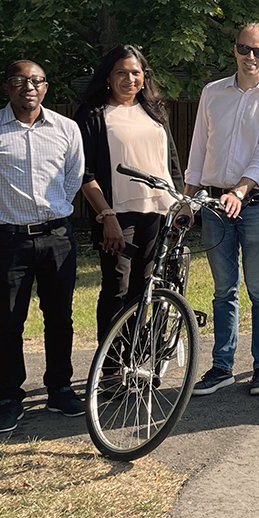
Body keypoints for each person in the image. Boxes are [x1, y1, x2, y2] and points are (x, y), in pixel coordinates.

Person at [0, 60, 87, 433]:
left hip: (57, 237)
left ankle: (60, 389)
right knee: (10, 320)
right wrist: (2, 213)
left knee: (60, 316)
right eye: (18, 81)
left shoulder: (67, 129)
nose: (27, 87)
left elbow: (72, 179)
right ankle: (9, 399)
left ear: (46, 87)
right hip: (9, 239)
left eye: (35, 81)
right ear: (6, 87)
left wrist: (50, 213)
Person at [185, 23, 259, 397]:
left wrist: (241, 190)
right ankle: (222, 366)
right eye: (244, 49)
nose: (250, 57)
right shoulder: (212, 93)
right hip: (215, 204)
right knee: (223, 289)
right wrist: (189, 196)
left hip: (257, 203)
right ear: (234, 50)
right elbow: (199, 145)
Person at [75, 44, 183, 348]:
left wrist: (181, 203)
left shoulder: (154, 110)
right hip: (116, 215)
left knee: (142, 290)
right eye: (121, 72)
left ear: (144, 76)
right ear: (108, 76)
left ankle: (132, 362)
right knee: (116, 289)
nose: (129, 79)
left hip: (157, 213)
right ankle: (109, 370)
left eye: (136, 72)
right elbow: (86, 173)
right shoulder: (94, 114)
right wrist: (106, 216)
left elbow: (171, 162)